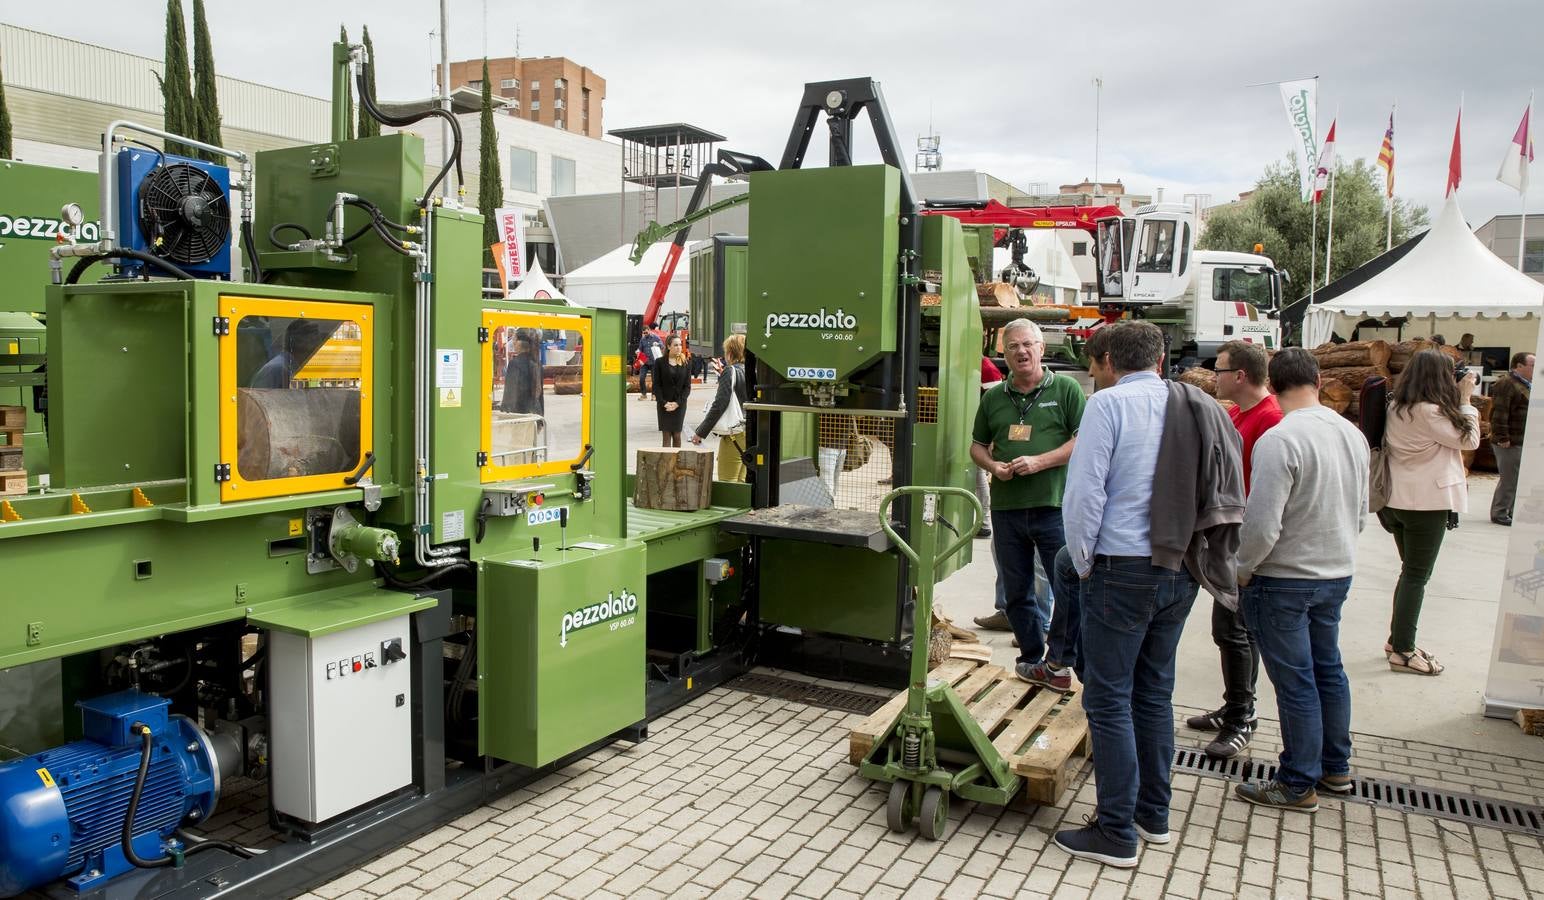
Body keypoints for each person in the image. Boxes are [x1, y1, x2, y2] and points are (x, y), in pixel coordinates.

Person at [1055, 321, 1241, 868]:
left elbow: (1085, 494)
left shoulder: (1108, 407)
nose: (1093, 371)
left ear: (1109, 360)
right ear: (1160, 359)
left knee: (1108, 698)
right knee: (1153, 693)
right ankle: (1151, 816)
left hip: (1123, 567)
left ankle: (1115, 832)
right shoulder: (1191, 403)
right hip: (1181, 565)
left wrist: (1084, 563)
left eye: (1094, 362)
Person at [1232, 348, 1369, 812]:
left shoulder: (1280, 438)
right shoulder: (1349, 432)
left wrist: (1243, 569)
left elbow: (1262, 522)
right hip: (1336, 570)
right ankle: (1336, 766)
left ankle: (1296, 781)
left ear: (1272, 381)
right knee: (1327, 669)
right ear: (1316, 378)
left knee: (1296, 682)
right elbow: (1361, 507)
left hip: (1285, 576)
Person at [969, 320, 1084, 679]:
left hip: (1053, 507)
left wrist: (1040, 461)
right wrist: (993, 465)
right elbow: (976, 447)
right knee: (1017, 590)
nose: (1021, 351)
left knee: (1067, 586)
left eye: (1027, 344)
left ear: (1041, 349)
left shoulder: (1065, 389)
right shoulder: (994, 398)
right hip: (1007, 509)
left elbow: (1083, 441)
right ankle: (1031, 658)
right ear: (1003, 354)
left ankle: (1062, 658)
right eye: (1013, 346)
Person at [1185, 340, 1282, 760]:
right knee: (1227, 631)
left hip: (1246, 545)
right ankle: (1234, 705)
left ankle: (1242, 716)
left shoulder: (1270, 420)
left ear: (1240, 376)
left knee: (1235, 631)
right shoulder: (1240, 413)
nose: (1215, 377)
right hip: (1231, 540)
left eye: (1220, 370)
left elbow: (1264, 494)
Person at [1378, 349, 1480, 676]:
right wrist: (1466, 398)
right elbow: (1470, 440)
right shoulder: (1431, 412)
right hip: (1425, 504)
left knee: (1409, 572)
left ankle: (1398, 639)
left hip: (1396, 503)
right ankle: (1404, 650)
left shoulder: (1397, 407)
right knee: (1416, 576)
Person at [690, 334, 749, 482]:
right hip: (751, 433)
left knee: (728, 481)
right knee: (742, 481)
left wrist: (700, 432)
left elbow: (719, 404)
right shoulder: (753, 371)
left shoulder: (730, 371)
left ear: (730, 353)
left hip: (735, 433)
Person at [1488, 352, 1534, 526]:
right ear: (1519, 366)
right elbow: (1499, 413)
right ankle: (1500, 513)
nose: (1535, 368)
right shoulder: (1507, 384)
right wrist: (1502, 437)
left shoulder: (1526, 384)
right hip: (1509, 441)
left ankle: (1511, 511)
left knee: (1519, 478)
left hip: (1520, 440)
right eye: (1532, 365)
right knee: (1510, 479)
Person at [653, 335, 692, 447]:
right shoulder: (659, 362)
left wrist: (677, 403)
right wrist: (663, 403)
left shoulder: (686, 362)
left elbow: (687, 387)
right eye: (675, 345)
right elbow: (657, 385)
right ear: (668, 346)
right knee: (666, 436)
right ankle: (666, 464)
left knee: (677, 435)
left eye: (680, 345)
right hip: (663, 404)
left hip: (679, 404)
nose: (679, 347)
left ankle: (676, 463)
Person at [499, 328, 544, 416]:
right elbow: (540, 396)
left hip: (519, 416)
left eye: (514, 339)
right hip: (535, 414)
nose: (513, 343)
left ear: (519, 343)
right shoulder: (537, 364)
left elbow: (510, 395)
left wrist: (504, 414)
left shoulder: (515, 364)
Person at [637, 330, 664, 401]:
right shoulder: (642, 339)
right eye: (644, 333)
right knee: (641, 378)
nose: (645, 334)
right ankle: (644, 394)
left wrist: (657, 344)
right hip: (644, 362)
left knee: (654, 379)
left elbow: (662, 346)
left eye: (646, 332)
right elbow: (640, 349)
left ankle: (654, 395)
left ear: (649, 330)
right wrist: (638, 351)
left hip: (654, 362)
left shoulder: (656, 337)